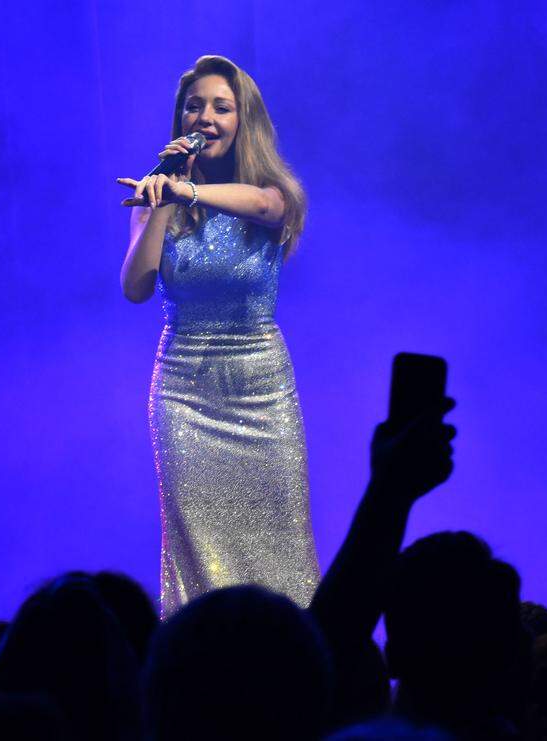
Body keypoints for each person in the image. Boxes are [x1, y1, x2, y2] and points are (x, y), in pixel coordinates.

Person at [117, 55, 319, 617]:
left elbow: (263, 206)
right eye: (194, 105)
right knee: (199, 551)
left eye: (220, 107)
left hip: (261, 392)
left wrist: (192, 194)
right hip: (185, 394)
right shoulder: (157, 190)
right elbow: (136, 287)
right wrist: (162, 199)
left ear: (243, 119)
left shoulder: (271, 189)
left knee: (280, 548)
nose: (204, 117)